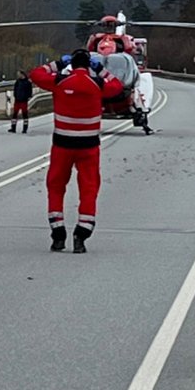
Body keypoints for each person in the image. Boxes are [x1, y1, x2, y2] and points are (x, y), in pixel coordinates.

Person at [30, 48, 124, 253]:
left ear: (71, 63)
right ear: (89, 64)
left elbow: (36, 74)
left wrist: (57, 64)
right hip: (89, 146)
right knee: (89, 188)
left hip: (62, 144)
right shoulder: (97, 84)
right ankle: (82, 233)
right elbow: (117, 86)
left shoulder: (60, 81)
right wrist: (100, 71)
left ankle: (57, 232)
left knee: (55, 186)